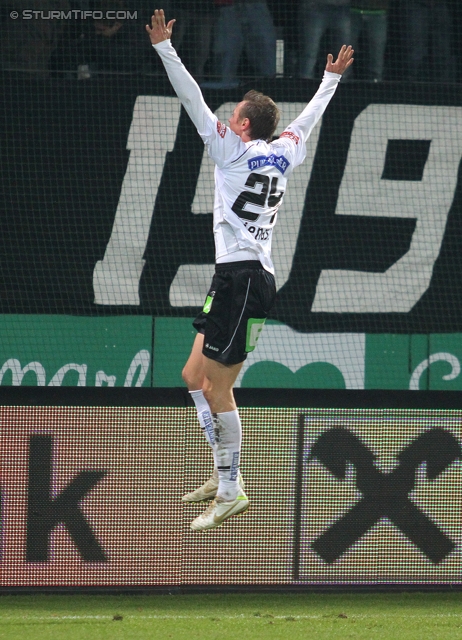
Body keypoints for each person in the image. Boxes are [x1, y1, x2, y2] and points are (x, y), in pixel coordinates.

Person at [146, 9, 353, 531]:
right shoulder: (284, 151)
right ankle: (222, 473)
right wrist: (329, 80)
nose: (226, 117)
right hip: (235, 281)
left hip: (246, 281)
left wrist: (165, 48)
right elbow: (306, 122)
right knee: (193, 377)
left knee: (219, 390)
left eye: (232, 113)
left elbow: (192, 99)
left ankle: (233, 486)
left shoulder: (231, 152)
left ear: (241, 125)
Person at [211, 0, 277, 87]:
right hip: (226, 5)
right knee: (227, 48)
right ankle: (223, 84)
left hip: (256, 5)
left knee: (264, 44)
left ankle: (268, 84)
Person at [298, 0, 351, 79]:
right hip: (316, 6)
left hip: (344, 7)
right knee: (310, 53)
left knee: (344, 54)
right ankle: (304, 85)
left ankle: (343, 87)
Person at [350, 0, 388, 81]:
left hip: (378, 11)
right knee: (346, 49)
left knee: (377, 49)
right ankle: (342, 82)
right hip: (352, 10)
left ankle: (376, 81)